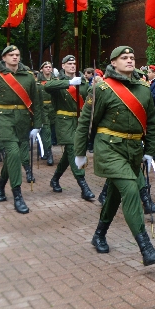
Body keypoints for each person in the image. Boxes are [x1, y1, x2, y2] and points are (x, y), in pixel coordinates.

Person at [74, 46, 155, 266]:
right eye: (124, 58)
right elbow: (86, 122)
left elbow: (151, 122)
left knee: (115, 195)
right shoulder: (103, 89)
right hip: (109, 148)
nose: (129, 60)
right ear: (113, 62)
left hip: (133, 150)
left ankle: (99, 234)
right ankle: (146, 248)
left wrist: (150, 151)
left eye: (132, 57)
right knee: (131, 190)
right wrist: (80, 152)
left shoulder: (143, 87)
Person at [0, 46, 43, 214]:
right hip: (1, 118)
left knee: (13, 157)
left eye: (17, 55)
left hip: (22, 119)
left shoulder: (28, 76)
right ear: (4, 57)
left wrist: (37, 125)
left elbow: (36, 102)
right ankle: (17, 195)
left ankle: (0, 187)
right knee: (13, 153)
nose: (15, 57)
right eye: (11, 55)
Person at [44, 55, 97, 201]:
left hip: (79, 122)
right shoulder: (58, 81)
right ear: (63, 65)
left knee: (69, 153)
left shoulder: (83, 81)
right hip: (64, 122)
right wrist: (69, 82)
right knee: (74, 150)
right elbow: (47, 87)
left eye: (74, 63)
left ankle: (55, 179)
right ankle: (84, 187)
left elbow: (90, 99)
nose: (73, 65)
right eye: (69, 63)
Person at [37, 62, 56, 165]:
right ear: (41, 69)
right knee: (46, 130)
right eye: (46, 67)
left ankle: (43, 148)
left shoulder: (56, 81)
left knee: (53, 130)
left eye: (50, 67)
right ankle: (49, 153)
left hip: (54, 108)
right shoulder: (38, 82)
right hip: (43, 108)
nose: (48, 68)